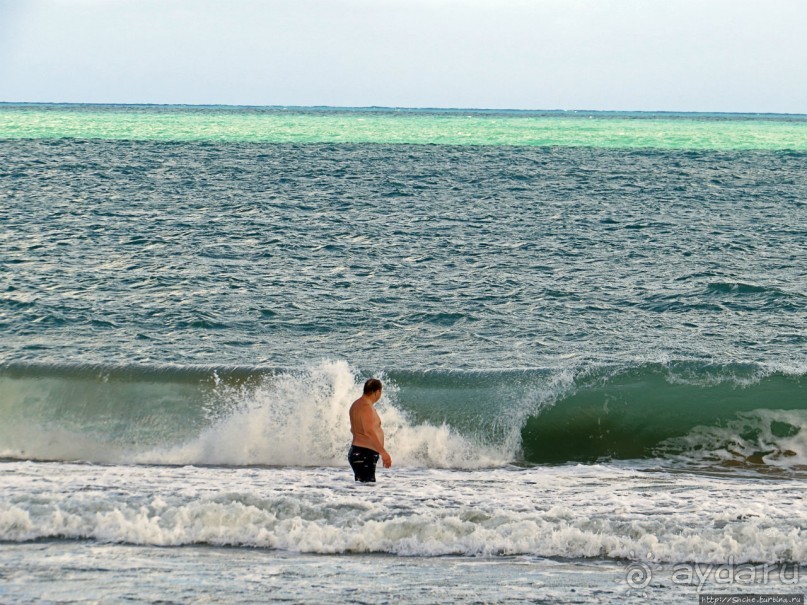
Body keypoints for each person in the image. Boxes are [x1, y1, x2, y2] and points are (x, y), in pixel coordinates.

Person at [348, 378, 392, 482]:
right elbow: (369, 431)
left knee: (363, 491)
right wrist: (383, 452)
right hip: (364, 454)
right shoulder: (366, 407)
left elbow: (353, 429)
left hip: (358, 452)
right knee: (367, 490)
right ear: (377, 392)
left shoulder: (355, 405)